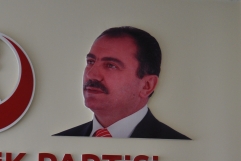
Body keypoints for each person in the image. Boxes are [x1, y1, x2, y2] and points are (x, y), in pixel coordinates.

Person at [55, 26, 189, 140]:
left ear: (147, 85)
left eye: (111, 65)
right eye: (91, 62)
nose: (91, 74)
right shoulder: (60, 142)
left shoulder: (179, 147)